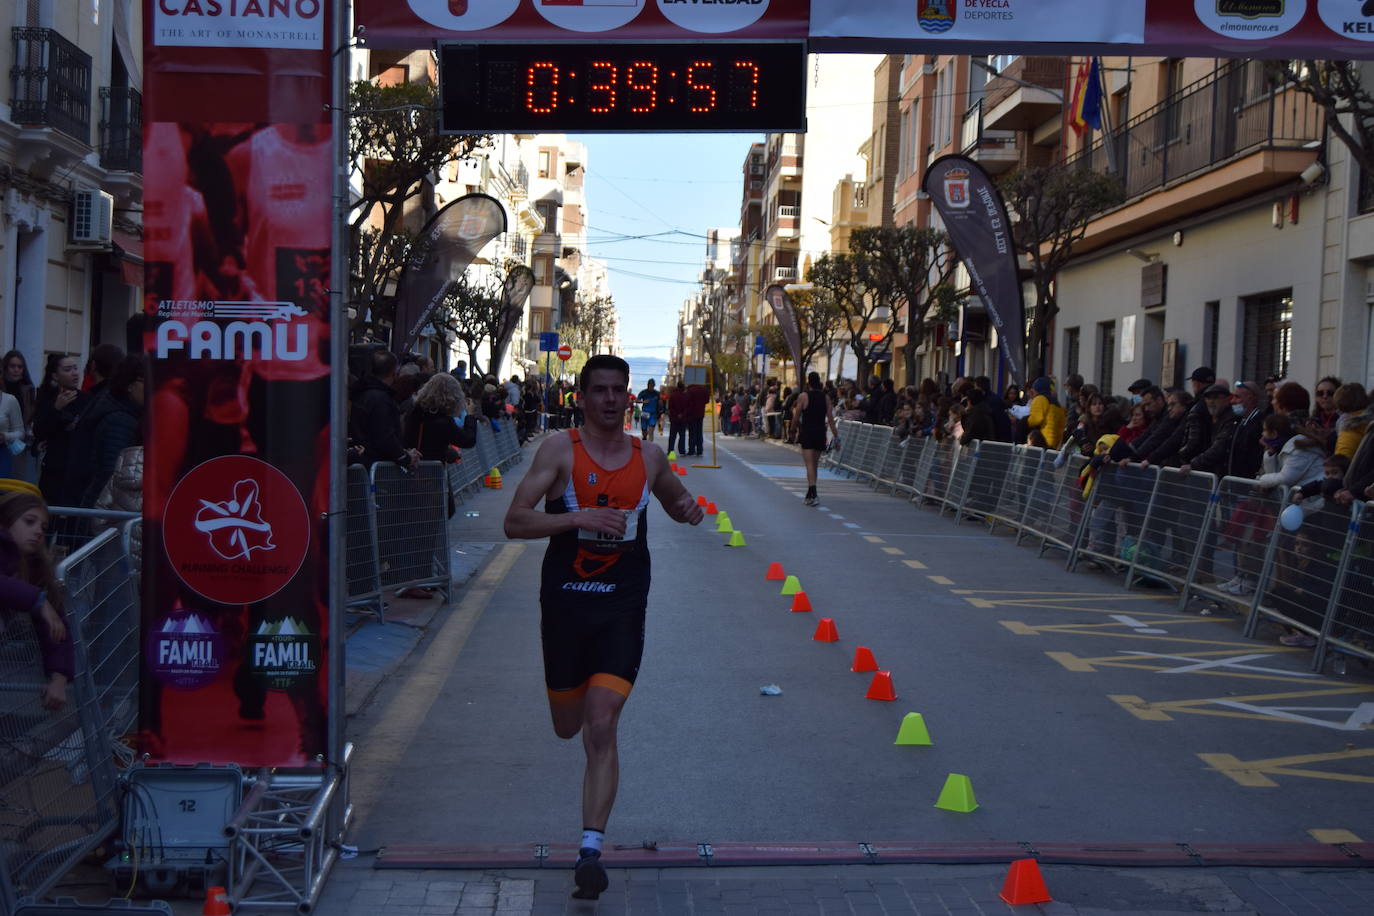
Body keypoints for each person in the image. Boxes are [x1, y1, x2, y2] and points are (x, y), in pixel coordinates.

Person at [502, 355, 703, 900]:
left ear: (629, 396)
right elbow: (514, 521)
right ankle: (590, 838)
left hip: (622, 606)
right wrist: (577, 518)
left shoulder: (650, 457)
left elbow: (674, 500)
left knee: (601, 723)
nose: (610, 400)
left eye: (619, 391)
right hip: (566, 606)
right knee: (567, 725)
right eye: (600, 391)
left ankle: (591, 850)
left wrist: (687, 509)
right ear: (582, 397)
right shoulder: (558, 451)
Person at [0, 487, 73, 712]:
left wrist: (59, 678)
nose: (38, 532)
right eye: (29, 522)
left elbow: (57, 626)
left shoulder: (33, 566)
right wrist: (39, 601)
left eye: (43, 527)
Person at [33, 354, 89, 506]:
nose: (74, 373)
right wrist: (56, 409)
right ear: (55, 376)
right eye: (67, 369)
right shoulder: (46, 398)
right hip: (54, 468)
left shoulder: (86, 399)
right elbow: (39, 431)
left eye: (75, 368)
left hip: (78, 468)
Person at [350, 349, 420, 470]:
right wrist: (404, 457)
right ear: (394, 372)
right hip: (377, 467)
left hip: (367, 463)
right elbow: (384, 436)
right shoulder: (381, 399)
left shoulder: (361, 393)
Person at [794, 371, 839, 507]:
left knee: (809, 465)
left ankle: (813, 492)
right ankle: (811, 492)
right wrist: (836, 436)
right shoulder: (825, 398)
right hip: (820, 433)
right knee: (815, 464)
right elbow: (830, 419)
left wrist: (792, 429)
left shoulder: (803, 396)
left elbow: (797, 415)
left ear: (808, 382)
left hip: (807, 432)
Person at [3, 351, 37, 481]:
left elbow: (31, 414)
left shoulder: (28, 389)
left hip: (19, 442)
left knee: (18, 479)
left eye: (20, 366)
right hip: (2, 439)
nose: (16, 370)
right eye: (12, 366)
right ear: (5, 367)